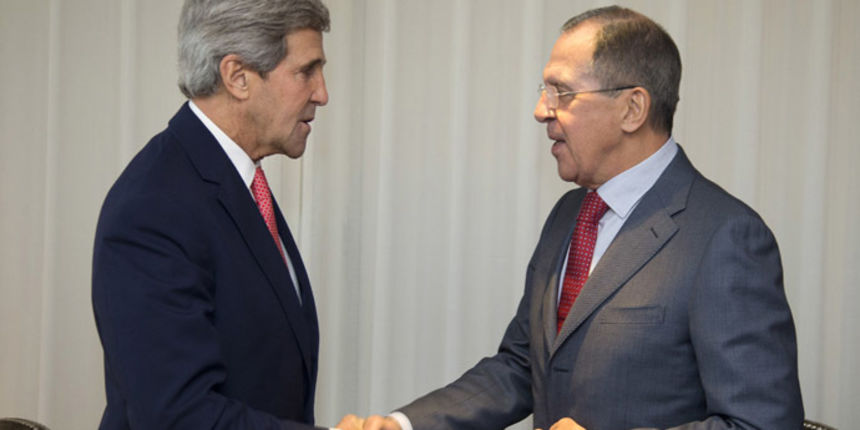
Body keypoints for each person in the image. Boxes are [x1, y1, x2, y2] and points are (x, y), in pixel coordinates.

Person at [359, 5, 803, 430]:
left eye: (562, 92)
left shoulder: (726, 237)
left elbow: (762, 422)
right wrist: (403, 424)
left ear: (632, 109)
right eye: (544, 90)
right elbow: (522, 365)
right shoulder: (571, 213)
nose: (541, 110)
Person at [92, 1, 359, 429]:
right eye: (306, 71)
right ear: (237, 77)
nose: (322, 93)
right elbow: (179, 416)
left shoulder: (237, 180)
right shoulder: (152, 209)